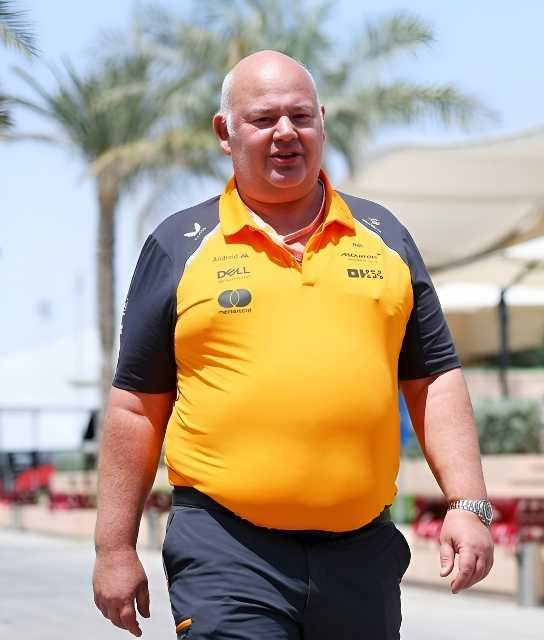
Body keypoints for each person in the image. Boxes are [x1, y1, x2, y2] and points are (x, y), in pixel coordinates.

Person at [91, 50, 494, 639]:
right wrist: (113, 548)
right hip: (226, 550)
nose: (286, 133)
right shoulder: (179, 245)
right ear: (225, 133)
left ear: (322, 122)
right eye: (263, 119)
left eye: (301, 117)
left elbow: (433, 378)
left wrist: (468, 504)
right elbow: (135, 408)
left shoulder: (384, 237)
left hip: (361, 554)